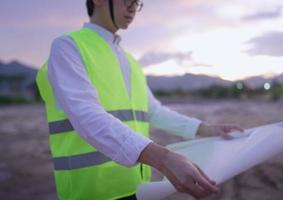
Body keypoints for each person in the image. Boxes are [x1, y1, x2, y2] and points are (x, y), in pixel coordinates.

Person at [36, 0, 244, 199]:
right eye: (128, 0)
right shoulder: (68, 46)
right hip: (91, 192)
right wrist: (163, 159)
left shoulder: (130, 61)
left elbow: (154, 111)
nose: (133, 8)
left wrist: (206, 129)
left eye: (137, 3)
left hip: (137, 188)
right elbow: (86, 114)